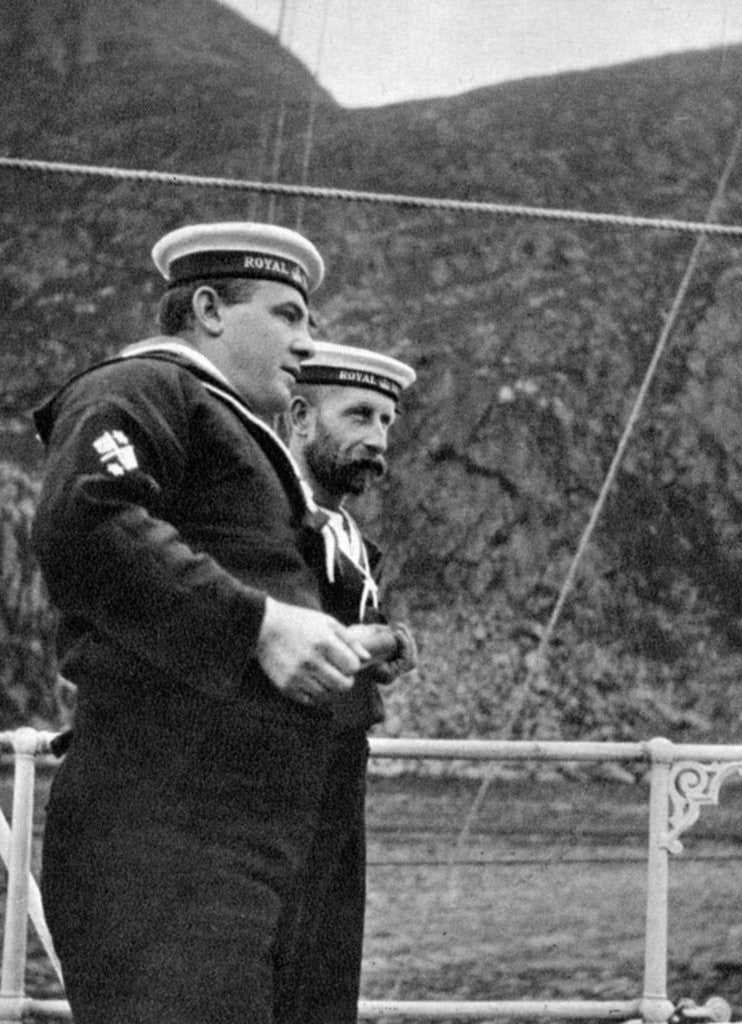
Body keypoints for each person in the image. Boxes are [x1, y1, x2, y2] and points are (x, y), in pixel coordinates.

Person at [31, 222, 398, 1024]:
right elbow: (83, 520)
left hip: (269, 830)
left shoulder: (248, 442)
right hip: (170, 830)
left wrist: (328, 636)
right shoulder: (140, 388)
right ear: (207, 308)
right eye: (289, 315)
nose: (308, 343)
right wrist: (261, 627)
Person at [275, 340, 418, 1024]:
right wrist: (383, 641)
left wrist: (387, 637)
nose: (376, 440)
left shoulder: (350, 538)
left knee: (329, 961)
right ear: (300, 417)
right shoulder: (267, 519)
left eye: (386, 423)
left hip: (340, 763)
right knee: (276, 958)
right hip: (277, 766)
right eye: (359, 415)